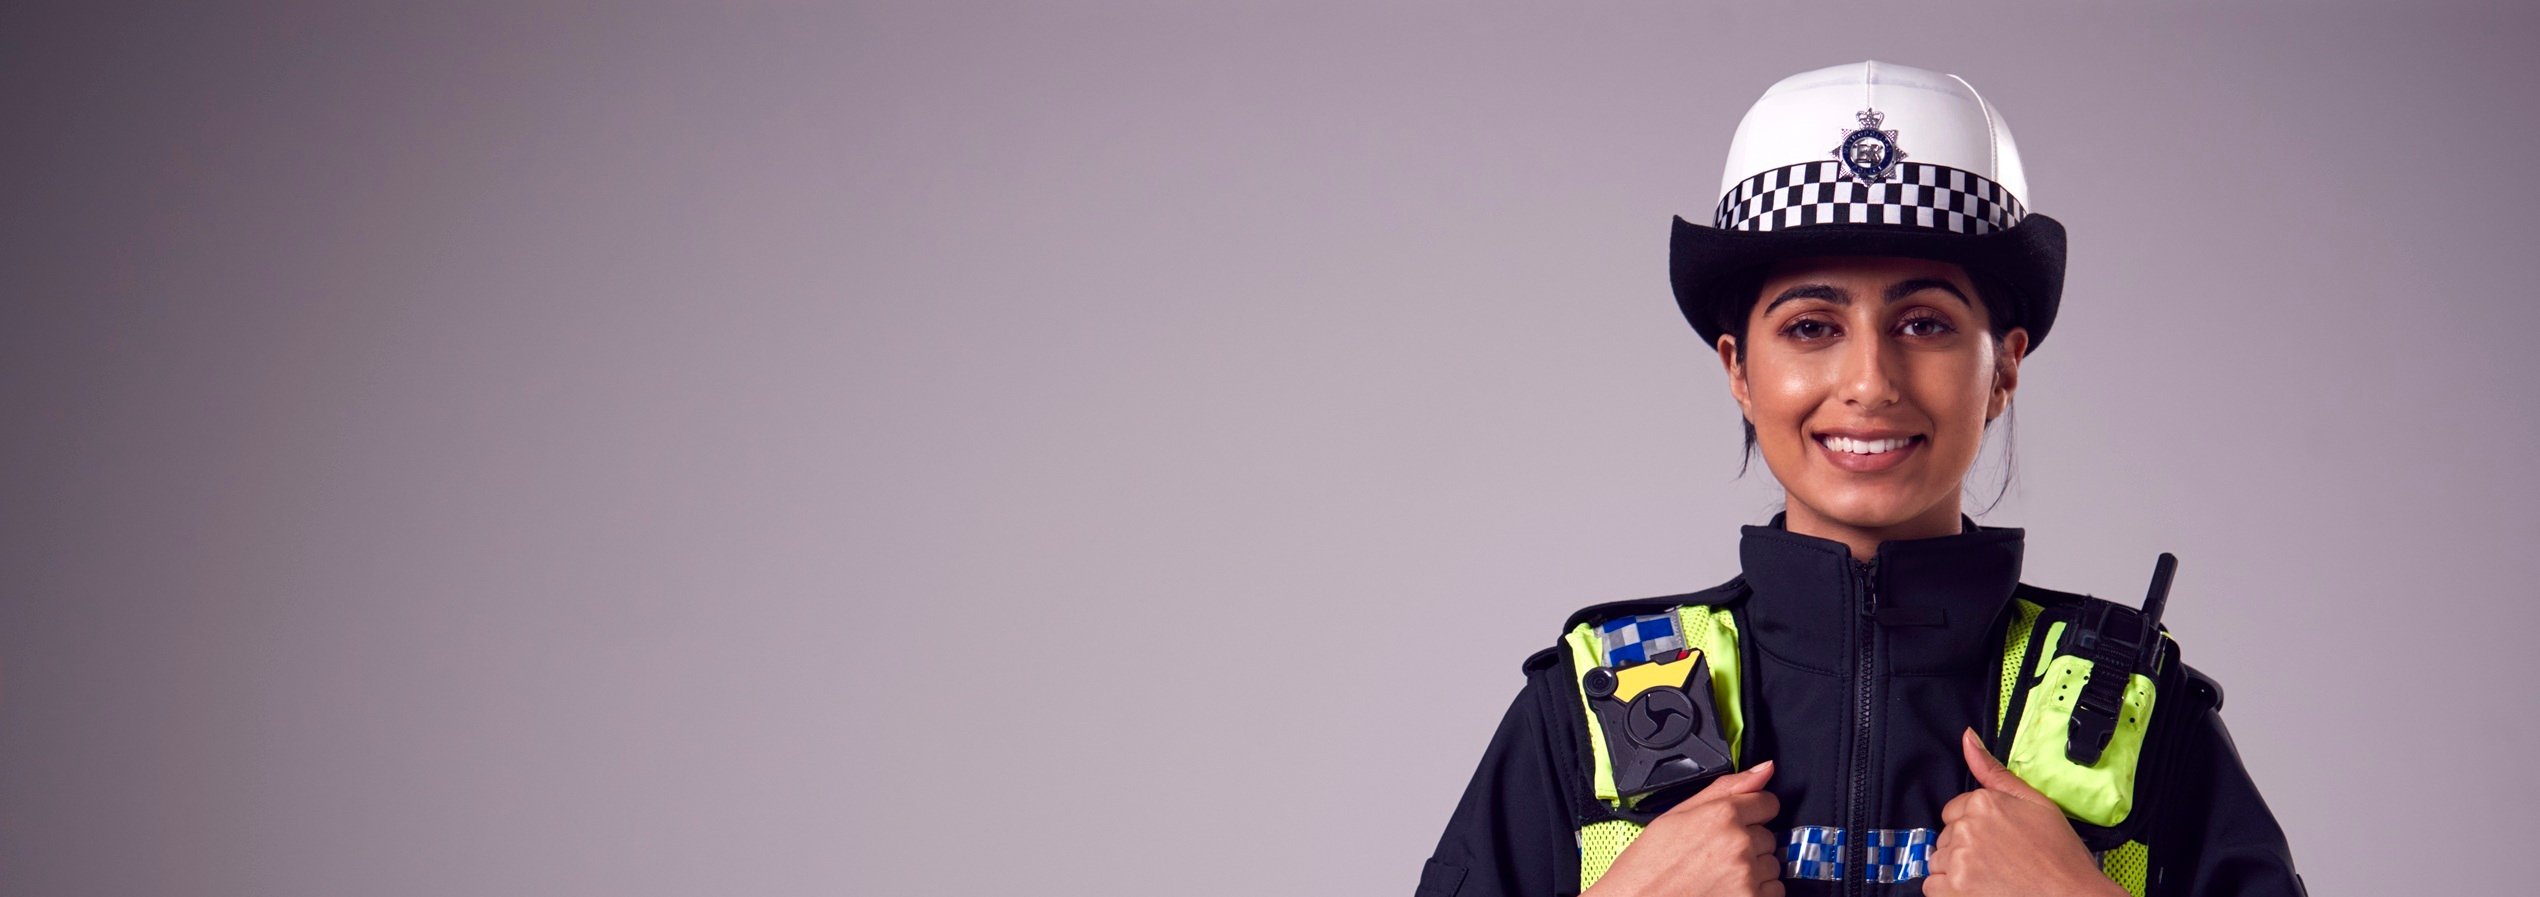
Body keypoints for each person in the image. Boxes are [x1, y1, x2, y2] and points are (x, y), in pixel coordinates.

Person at [1415, 61, 2304, 897]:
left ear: (2004, 367)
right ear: (1738, 368)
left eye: (1924, 323)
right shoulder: (1582, 706)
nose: (1871, 382)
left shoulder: (2146, 719)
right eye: (1811, 327)